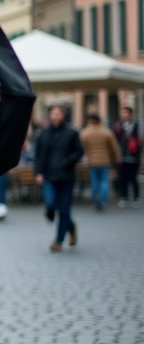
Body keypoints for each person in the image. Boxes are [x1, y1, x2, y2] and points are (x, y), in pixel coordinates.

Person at [35, 105, 84, 252]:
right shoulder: (43, 134)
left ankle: (58, 240)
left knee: (64, 210)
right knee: (50, 204)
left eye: (57, 113)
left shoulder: (71, 133)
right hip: (49, 176)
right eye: (52, 113)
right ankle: (70, 226)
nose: (54, 116)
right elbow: (38, 155)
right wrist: (38, 172)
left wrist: (68, 161)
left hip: (66, 177)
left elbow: (79, 151)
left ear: (63, 115)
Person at [80, 113, 120, 212]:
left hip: (92, 161)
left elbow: (80, 147)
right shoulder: (107, 132)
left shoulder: (85, 132)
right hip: (105, 161)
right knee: (104, 181)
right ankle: (103, 201)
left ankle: (95, 202)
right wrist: (117, 159)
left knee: (94, 182)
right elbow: (115, 147)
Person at [113, 105, 141, 207]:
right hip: (122, 156)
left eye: (125, 113)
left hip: (134, 156)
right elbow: (115, 140)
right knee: (122, 178)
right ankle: (124, 198)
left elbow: (141, 140)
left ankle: (136, 198)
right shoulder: (118, 125)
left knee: (133, 178)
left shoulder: (137, 125)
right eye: (122, 113)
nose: (123, 115)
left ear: (130, 114)